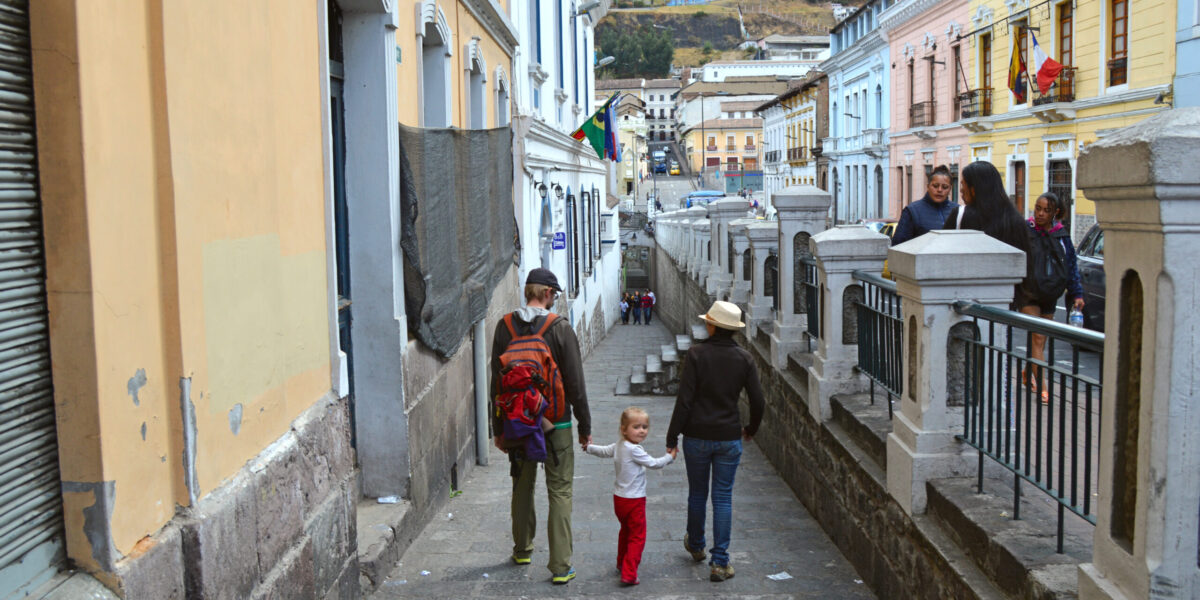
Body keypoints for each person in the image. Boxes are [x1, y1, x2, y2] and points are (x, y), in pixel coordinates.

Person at [489, 268, 592, 585]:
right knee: (559, 490)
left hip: (518, 423)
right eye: (555, 295)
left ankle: (522, 548)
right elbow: (575, 382)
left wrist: (498, 429)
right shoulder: (560, 328)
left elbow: (496, 382)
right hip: (555, 423)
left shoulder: (504, 327)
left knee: (521, 484)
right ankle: (561, 566)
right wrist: (584, 425)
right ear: (547, 294)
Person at [666, 301, 765, 582]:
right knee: (722, 497)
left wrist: (672, 437)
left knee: (697, 493)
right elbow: (758, 401)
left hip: (696, 436)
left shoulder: (697, 354)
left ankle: (696, 545)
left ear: (711, 326)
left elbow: (684, 401)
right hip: (728, 436)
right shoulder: (744, 359)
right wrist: (751, 429)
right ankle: (720, 562)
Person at [583, 407, 676, 586]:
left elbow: (603, 451)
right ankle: (629, 572)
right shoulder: (634, 449)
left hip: (619, 499)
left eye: (644, 426)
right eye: (636, 427)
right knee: (637, 536)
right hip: (634, 500)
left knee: (625, 532)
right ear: (624, 429)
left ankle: (621, 562)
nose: (641, 430)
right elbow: (654, 464)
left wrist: (589, 448)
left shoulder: (619, 445)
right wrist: (669, 457)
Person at [1021, 192, 1085, 403]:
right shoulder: (1026, 230)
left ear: (1055, 213)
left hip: (1049, 293)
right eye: (1037, 208)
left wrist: (1076, 293)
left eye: (1045, 210)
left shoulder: (1061, 236)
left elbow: (1071, 265)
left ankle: (1026, 372)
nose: (1039, 213)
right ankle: (1043, 388)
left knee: (1039, 340)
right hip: (1028, 292)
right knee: (1038, 337)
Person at [944, 160, 1034, 305]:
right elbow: (1026, 266)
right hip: (1003, 303)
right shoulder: (1015, 220)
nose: (960, 190)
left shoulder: (961, 215)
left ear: (974, 189)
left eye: (963, 184)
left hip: (962, 301)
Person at [891, 165, 957, 246]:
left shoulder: (957, 211)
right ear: (928, 186)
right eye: (935, 186)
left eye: (945, 187)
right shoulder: (912, 211)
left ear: (950, 189)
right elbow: (898, 245)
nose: (940, 190)